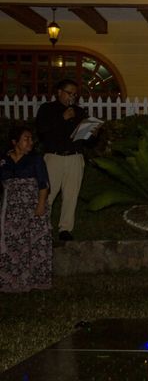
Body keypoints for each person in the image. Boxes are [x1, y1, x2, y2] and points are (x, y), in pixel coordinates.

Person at [0, 126, 52, 292]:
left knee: (34, 243)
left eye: (31, 138)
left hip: (33, 206)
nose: (30, 142)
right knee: (13, 243)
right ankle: (12, 281)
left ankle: (35, 281)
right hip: (11, 209)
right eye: (26, 138)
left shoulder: (36, 159)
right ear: (15, 142)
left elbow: (44, 184)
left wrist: (41, 205)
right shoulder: (4, 160)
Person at [36, 79, 87, 241]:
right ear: (59, 92)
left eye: (75, 94)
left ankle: (65, 229)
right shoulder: (47, 109)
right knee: (48, 195)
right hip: (54, 157)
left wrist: (93, 132)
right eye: (69, 93)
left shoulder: (79, 112)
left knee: (71, 195)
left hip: (75, 157)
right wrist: (62, 118)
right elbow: (42, 132)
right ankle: (42, 228)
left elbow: (86, 139)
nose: (72, 97)